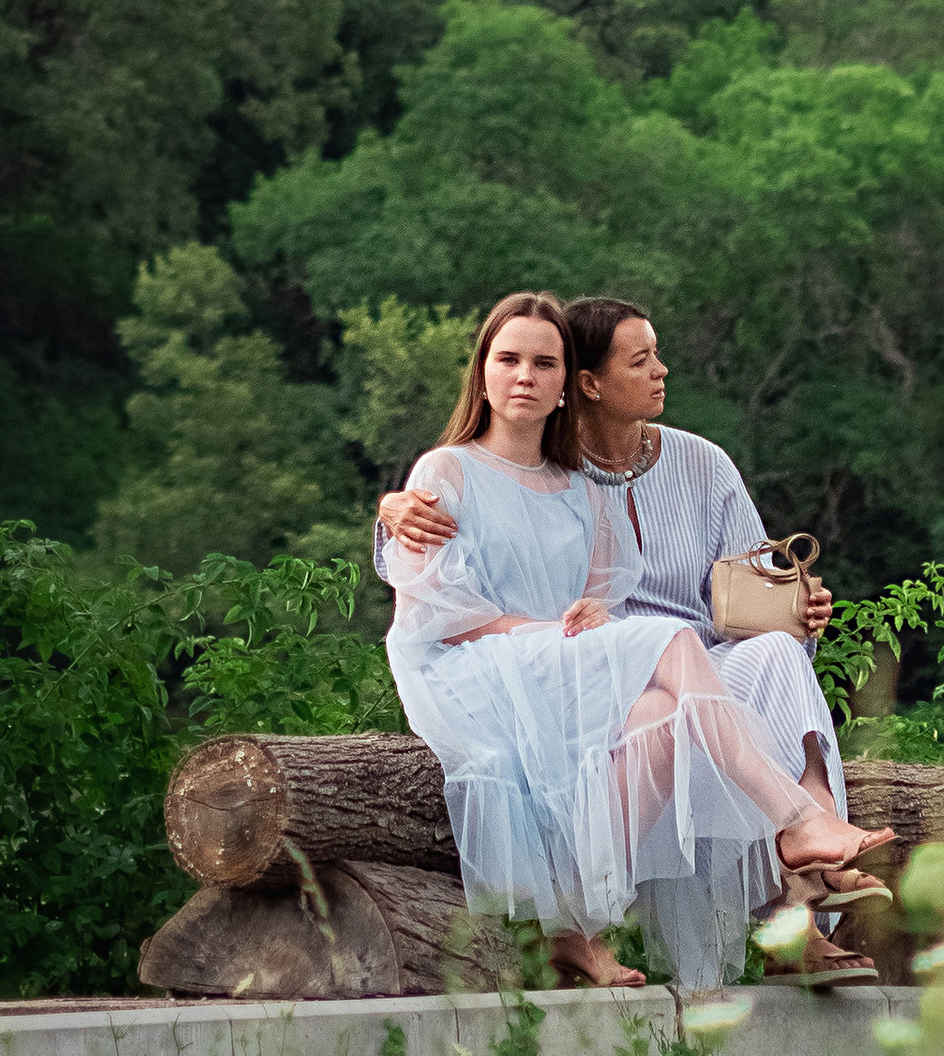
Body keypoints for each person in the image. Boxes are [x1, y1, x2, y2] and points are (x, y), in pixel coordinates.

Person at [375, 289, 887, 990]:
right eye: (508, 359)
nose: (525, 376)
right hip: (486, 663)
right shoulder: (447, 470)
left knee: (698, 697)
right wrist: (392, 509)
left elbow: (611, 593)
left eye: (542, 363)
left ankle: (585, 929)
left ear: (565, 386)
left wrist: (791, 607)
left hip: (584, 660)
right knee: (671, 643)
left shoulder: (587, 486)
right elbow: (440, 603)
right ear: (485, 371)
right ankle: (798, 821)